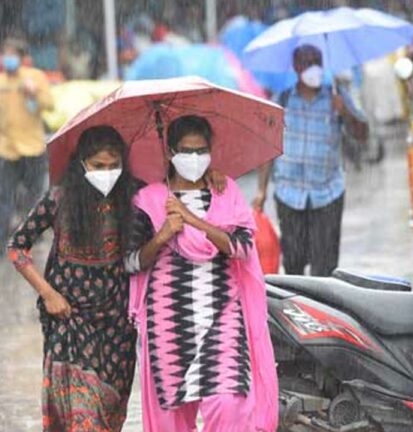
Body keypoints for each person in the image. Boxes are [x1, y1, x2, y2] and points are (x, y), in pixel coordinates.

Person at [126, 115, 278, 432]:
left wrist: (194, 221)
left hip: (222, 315)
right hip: (168, 322)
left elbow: (243, 249)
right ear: (169, 153)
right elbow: (130, 262)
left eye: (201, 151)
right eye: (186, 151)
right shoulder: (148, 201)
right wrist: (162, 236)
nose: (194, 159)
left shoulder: (226, 192)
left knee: (230, 403)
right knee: (172, 416)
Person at [6, 126, 137, 431]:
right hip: (69, 321)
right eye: (98, 166)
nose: (107, 173)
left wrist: (213, 178)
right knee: (83, 420)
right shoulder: (59, 198)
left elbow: (172, 195)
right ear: (82, 164)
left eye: (113, 166)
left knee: (109, 416)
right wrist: (48, 293)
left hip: (117, 327)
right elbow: (16, 248)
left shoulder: (132, 196)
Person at [254, 44, 368, 276]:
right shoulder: (283, 100)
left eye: (316, 62)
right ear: (296, 67)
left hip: (328, 193)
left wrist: (345, 111)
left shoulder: (336, 96)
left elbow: (362, 134)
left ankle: (321, 310)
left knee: (325, 266)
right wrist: (262, 189)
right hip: (289, 194)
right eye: (307, 63)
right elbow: (267, 146)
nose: (313, 69)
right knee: (294, 263)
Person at [0, 37, 53, 255]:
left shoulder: (36, 78)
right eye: (5, 54)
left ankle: (33, 237)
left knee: (35, 196)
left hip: (33, 146)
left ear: (23, 58)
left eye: (13, 54)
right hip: (6, 148)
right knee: (4, 195)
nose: (8, 59)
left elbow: (49, 105)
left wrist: (33, 93)